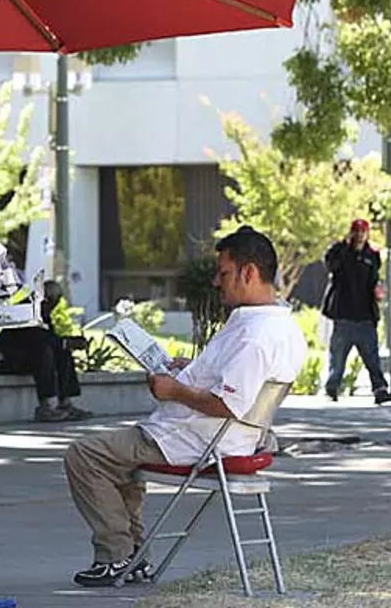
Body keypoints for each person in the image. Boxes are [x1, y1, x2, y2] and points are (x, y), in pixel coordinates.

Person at [62, 226, 307, 587]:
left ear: (249, 272)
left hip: (198, 439)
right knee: (118, 461)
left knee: (85, 456)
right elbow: (233, 382)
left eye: (223, 273)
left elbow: (228, 403)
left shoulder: (254, 335)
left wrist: (174, 390)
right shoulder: (281, 326)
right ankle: (132, 557)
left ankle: (117, 556)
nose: (216, 281)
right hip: (225, 437)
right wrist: (186, 371)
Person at [0, 281, 92, 422]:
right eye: (53, 301)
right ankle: (46, 407)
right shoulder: (26, 311)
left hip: (24, 358)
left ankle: (65, 404)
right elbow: (37, 338)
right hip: (6, 360)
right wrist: (66, 342)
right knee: (44, 351)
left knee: (62, 352)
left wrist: (67, 343)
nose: (53, 306)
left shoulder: (42, 312)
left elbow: (50, 339)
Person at [321, 219, 391, 405]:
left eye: (363, 231)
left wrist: (378, 291)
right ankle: (332, 388)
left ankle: (380, 389)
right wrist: (344, 247)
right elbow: (330, 264)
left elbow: (374, 279)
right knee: (337, 358)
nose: (360, 235)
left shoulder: (372, 255)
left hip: (365, 316)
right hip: (343, 314)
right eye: (357, 231)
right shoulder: (341, 252)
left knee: (372, 357)